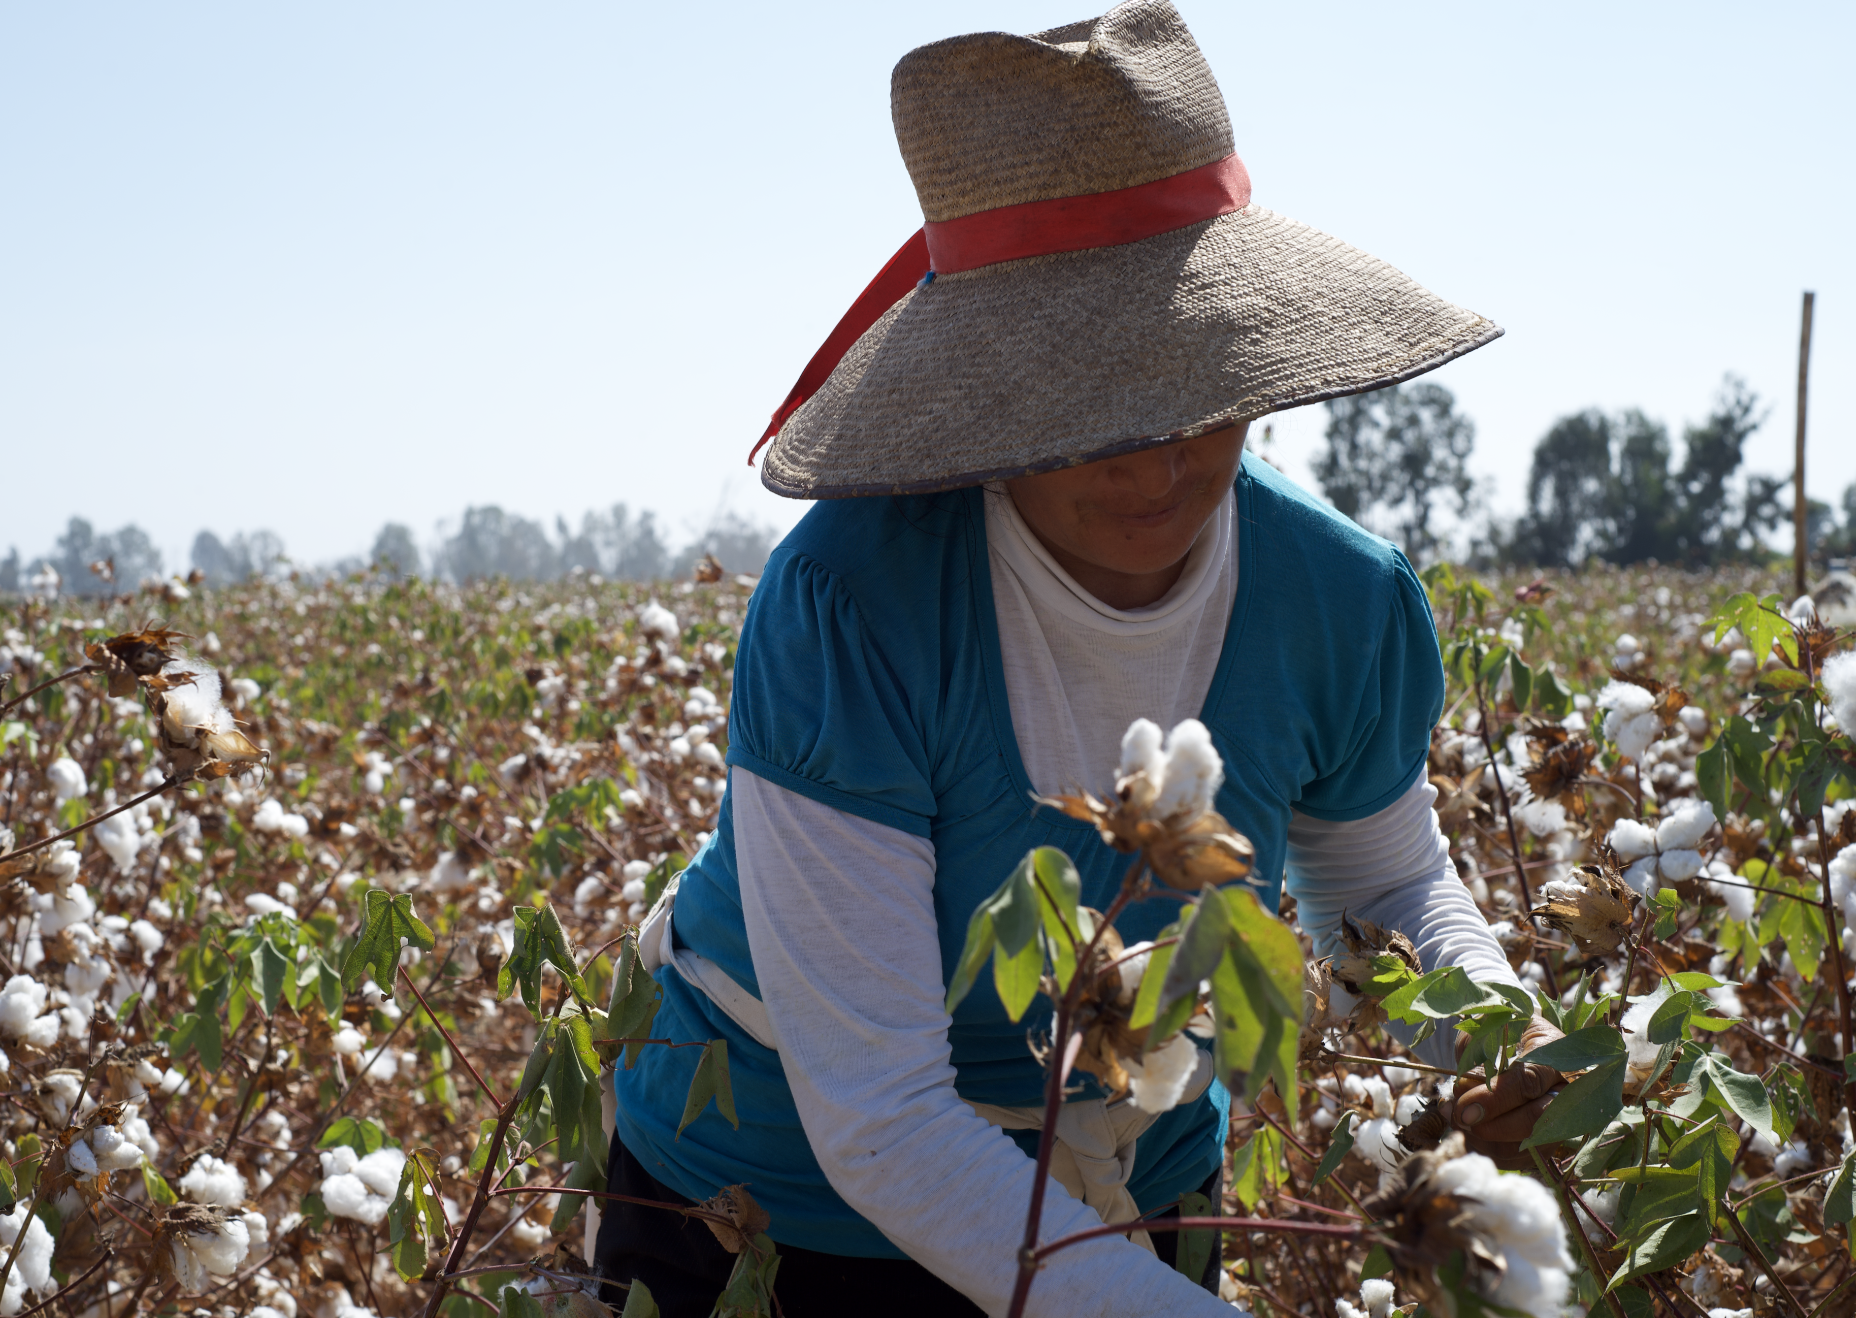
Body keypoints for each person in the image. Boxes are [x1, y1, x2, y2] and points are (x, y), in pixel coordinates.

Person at [596, 3, 1558, 1314]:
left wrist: (1499, 1030)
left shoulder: (1339, 597)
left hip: (1136, 1173)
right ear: (990, 400)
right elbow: (880, 1114)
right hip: (777, 1211)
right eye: (1089, 406)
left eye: (1192, 383)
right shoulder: (852, 603)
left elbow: (1381, 882)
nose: (1155, 458)